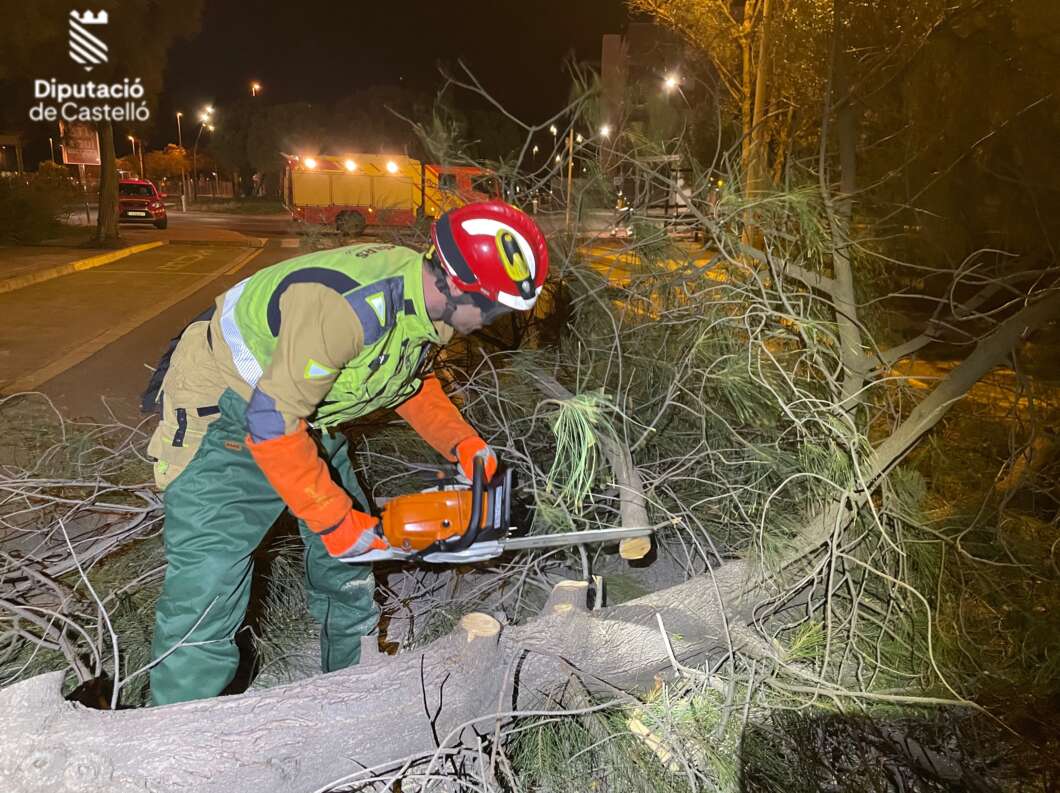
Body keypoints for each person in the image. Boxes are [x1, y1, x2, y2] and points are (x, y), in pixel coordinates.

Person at [145, 201, 549, 705]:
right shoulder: (346, 308)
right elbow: (271, 423)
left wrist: (467, 449)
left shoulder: (426, 305)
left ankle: (351, 691)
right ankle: (178, 733)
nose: (495, 321)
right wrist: (336, 525)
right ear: (455, 282)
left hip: (302, 409)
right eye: (494, 308)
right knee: (209, 579)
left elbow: (407, 381)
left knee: (353, 563)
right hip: (225, 405)